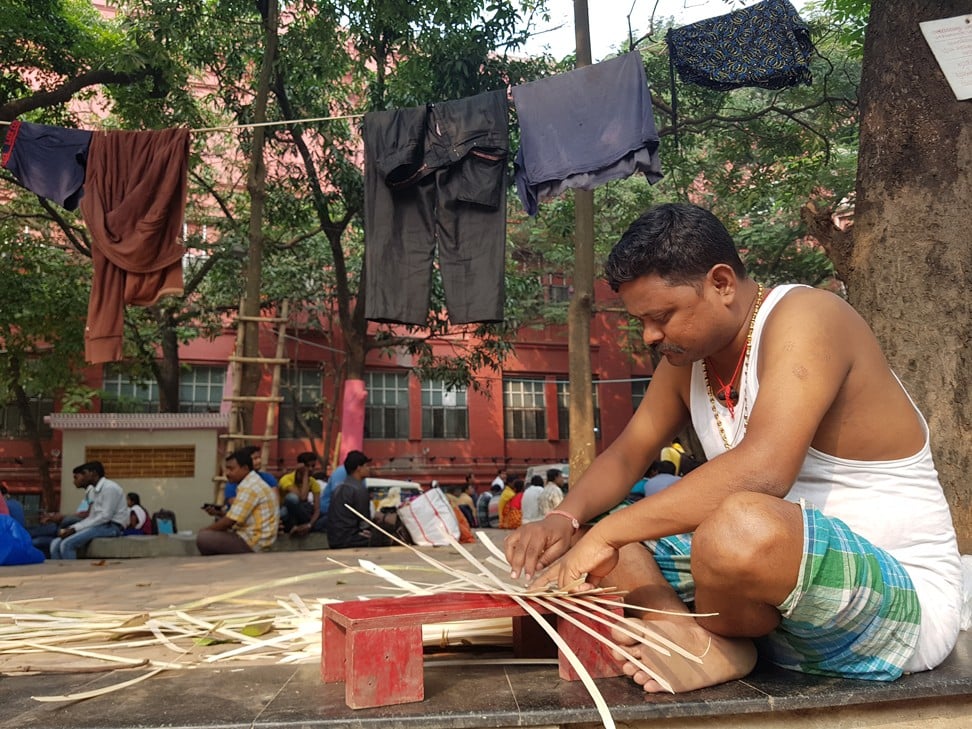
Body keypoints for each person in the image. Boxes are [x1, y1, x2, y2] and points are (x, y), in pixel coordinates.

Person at [504, 203, 962, 694]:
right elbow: (625, 454)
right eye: (641, 320)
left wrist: (611, 530)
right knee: (601, 552)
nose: (650, 335)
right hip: (767, 610)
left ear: (721, 283)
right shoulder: (686, 363)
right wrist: (566, 519)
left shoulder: (808, 315)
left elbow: (765, 470)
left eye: (661, 316)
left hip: (892, 607)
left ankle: (715, 638)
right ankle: (699, 641)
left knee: (736, 527)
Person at [197, 448, 278, 555]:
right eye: (227, 469)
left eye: (231, 469)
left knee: (204, 538)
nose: (227, 473)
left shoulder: (250, 487)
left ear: (244, 468)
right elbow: (237, 517)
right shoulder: (251, 483)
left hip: (254, 542)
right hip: (251, 537)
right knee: (211, 534)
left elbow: (230, 521)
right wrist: (219, 514)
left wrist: (205, 531)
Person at [49, 462, 129, 560]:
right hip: (99, 525)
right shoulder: (94, 491)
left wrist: (74, 529)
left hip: (112, 527)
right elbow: (92, 517)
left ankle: (71, 574)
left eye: (84, 473)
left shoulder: (110, 488)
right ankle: (58, 573)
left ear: (93, 473)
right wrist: (73, 527)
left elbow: (105, 517)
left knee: (67, 544)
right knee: (55, 543)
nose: (83, 476)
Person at [209, 445, 278, 516]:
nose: (259, 461)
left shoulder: (267, 478)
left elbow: (274, 501)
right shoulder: (233, 482)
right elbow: (237, 508)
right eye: (255, 458)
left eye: (259, 458)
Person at [326, 450, 375, 549]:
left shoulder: (339, 487)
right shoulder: (359, 489)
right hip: (349, 539)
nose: (368, 469)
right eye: (366, 466)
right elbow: (364, 522)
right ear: (359, 468)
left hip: (334, 538)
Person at [277, 452, 321, 536]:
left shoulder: (314, 483)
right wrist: (305, 475)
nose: (311, 469)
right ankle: (291, 528)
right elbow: (302, 497)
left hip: (302, 515)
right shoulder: (286, 479)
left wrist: (310, 525)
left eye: (313, 466)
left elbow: (317, 509)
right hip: (285, 515)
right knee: (292, 499)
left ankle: (300, 527)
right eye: (308, 466)